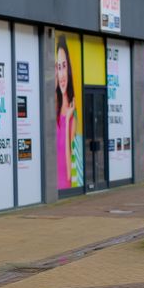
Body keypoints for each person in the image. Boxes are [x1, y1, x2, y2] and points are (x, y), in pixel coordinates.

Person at [55, 35, 78, 188]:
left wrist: (68, 120)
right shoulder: (53, 109)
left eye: (64, 66)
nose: (62, 74)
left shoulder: (72, 117)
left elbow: (70, 173)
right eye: (58, 67)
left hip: (65, 186)